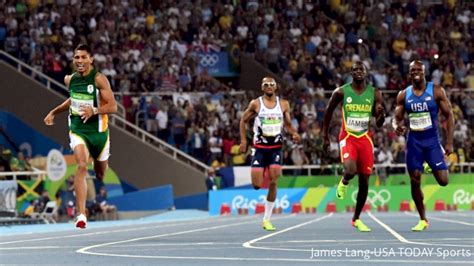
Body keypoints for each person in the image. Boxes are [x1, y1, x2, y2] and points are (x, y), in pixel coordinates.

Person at [43, 44, 117, 229]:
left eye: (84, 57)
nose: (80, 61)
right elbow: (72, 100)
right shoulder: (71, 80)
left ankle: (98, 164)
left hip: (99, 132)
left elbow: (113, 107)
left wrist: (95, 110)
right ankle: (81, 215)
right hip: (78, 129)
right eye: (77, 57)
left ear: (91, 59)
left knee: (100, 173)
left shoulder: (99, 80)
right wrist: (53, 112)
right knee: (82, 165)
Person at [322, 61, 385, 232]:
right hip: (348, 137)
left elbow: (379, 123)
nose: (358, 72)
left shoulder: (375, 93)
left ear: (366, 73)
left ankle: (356, 218)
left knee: (364, 181)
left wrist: (381, 115)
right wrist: (325, 137)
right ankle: (344, 181)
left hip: (365, 138)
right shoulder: (341, 91)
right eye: (355, 69)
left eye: (361, 69)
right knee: (350, 171)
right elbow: (328, 112)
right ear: (351, 73)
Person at [393, 60, 454, 231]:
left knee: (443, 181)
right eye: (412, 70)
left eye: (418, 70)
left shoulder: (436, 91)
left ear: (424, 71)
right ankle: (422, 219)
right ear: (409, 73)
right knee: (414, 180)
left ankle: (431, 166)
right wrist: (396, 126)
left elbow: (449, 116)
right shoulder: (403, 95)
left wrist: (449, 142)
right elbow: (395, 117)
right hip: (414, 143)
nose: (415, 73)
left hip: (432, 142)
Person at [239, 76, 300, 231]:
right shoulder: (256, 104)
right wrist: (244, 141)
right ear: (262, 87)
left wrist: (293, 133)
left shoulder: (284, 104)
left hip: (276, 148)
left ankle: (266, 219)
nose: (269, 87)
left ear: (275, 87)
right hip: (259, 148)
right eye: (266, 84)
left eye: (271, 84)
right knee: (257, 185)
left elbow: (287, 124)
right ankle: (264, 208)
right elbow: (243, 121)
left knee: (274, 180)